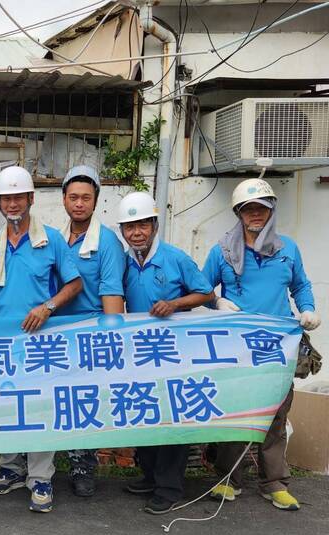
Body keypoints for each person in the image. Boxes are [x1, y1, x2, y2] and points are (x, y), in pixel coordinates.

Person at [202, 178, 320, 511]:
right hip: (237, 347)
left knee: (276, 415)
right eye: (249, 209)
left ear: (271, 211)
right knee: (237, 413)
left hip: (279, 346)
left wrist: (308, 309)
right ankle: (228, 478)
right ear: (239, 212)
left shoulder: (288, 249)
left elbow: (301, 286)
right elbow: (200, 286)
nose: (256, 214)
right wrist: (216, 303)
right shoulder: (222, 251)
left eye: (261, 209)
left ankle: (274, 483)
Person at [0, 166, 82, 513]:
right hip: (2, 344)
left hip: (40, 342)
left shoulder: (50, 239)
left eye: (17, 197)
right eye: (5, 198)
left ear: (30, 199)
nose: (12, 204)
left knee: (40, 408)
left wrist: (48, 307)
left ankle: (40, 477)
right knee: (7, 404)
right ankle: (10, 468)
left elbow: (74, 284)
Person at [116, 192, 215, 515]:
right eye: (130, 227)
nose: (137, 233)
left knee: (172, 420)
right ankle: (149, 475)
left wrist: (175, 304)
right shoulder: (124, 262)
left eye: (143, 224)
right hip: (140, 353)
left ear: (155, 225)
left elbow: (205, 293)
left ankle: (169, 488)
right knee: (145, 413)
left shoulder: (175, 259)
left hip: (174, 354)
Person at [56, 165, 125, 498]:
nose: (79, 204)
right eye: (73, 197)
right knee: (54, 399)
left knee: (84, 402)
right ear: (64, 200)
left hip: (90, 334)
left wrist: (112, 341)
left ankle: (83, 466)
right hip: (54, 334)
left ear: (96, 201)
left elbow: (112, 292)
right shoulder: (55, 237)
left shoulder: (107, 242)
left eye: (85, 198)